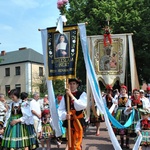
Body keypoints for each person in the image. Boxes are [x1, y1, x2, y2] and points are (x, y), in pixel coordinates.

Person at [58, 78, 87, 150]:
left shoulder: (82, 94)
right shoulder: (65, 96)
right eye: (70, 84)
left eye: (74, 84)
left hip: (78, 120)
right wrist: (65, 115)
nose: (72, 85)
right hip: (69, 120)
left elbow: (81, 106)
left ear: (77, 85)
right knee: (70, 140)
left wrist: (71, 95)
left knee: (77, 139)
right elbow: (61, 109)